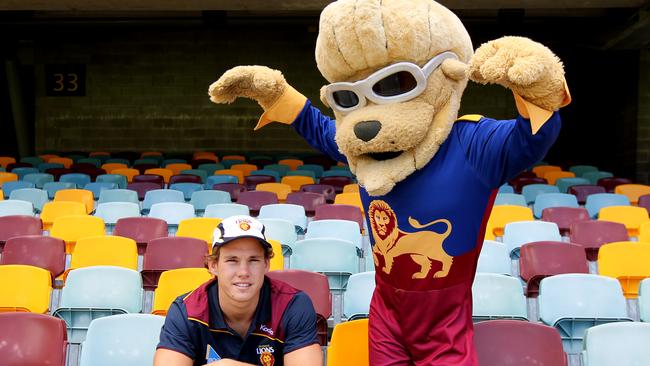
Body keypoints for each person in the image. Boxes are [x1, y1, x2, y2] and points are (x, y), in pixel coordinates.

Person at [154, 215, 323, 366]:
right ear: (213, 266)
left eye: (254, 260)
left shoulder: (292, 305)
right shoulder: (187, 311)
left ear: (266, 264)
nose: (243, 272)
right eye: (232, 260)